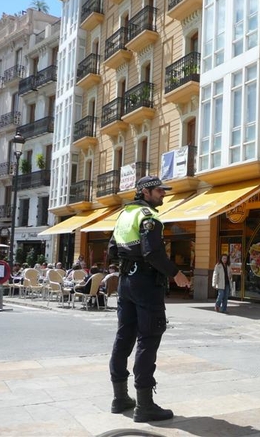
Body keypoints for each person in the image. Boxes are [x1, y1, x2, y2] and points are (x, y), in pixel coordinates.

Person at [108, 175, 191, 423]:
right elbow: (152, 252)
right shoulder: (148, 216)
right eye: (159, 191)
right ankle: (144, 405)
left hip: (126, 282)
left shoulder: (123, 215)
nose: (163, 194)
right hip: (145, 284)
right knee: (149, 337)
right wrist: (176, 275)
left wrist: (129, 263)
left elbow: (112, 250)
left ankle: (120, 397)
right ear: (146, 192)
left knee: (124, 336)